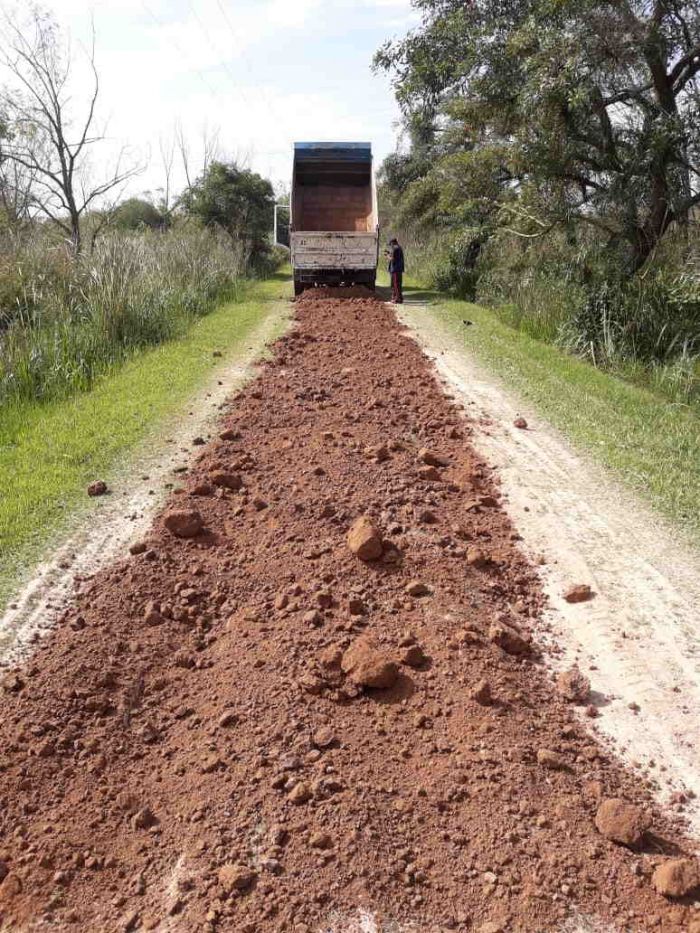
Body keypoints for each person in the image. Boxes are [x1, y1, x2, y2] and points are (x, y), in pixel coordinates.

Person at [387, 237, 405, 304]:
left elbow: (393, 259)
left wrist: (387, 256)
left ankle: (398, 299)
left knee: (395, 285)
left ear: (392, 243)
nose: (390, 246)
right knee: (398, 284)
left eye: (391, 244)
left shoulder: (395, 249)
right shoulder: (399, 248)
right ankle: (398, 298)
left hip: (395, 269)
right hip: (399, 269)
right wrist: (389, 254)